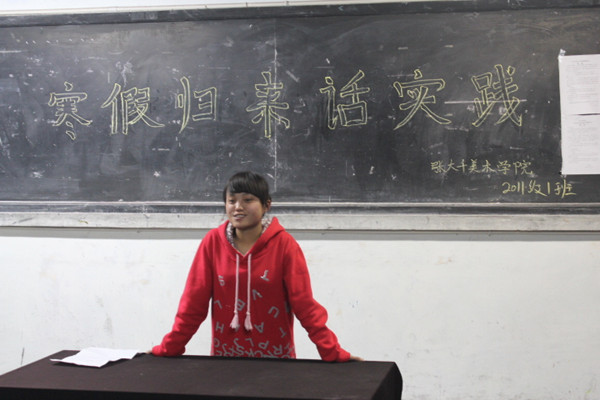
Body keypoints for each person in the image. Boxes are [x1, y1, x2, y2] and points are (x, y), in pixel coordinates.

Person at [152, 171, 357, 362]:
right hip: (225, 362)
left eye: (248, 200)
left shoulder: (285, 245)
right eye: (232, 201)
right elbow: (192, 305)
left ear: (266, 205)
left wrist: (332, 352)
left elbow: (305, 306)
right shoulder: (212, 243)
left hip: (277, 362)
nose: (238, 207)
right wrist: (169, 348)